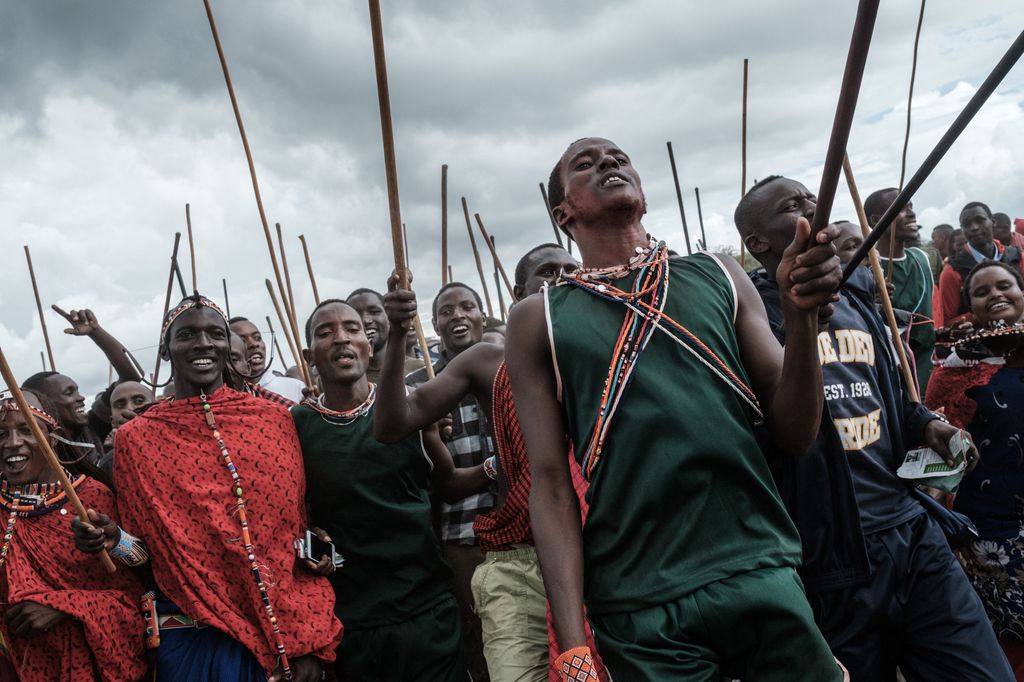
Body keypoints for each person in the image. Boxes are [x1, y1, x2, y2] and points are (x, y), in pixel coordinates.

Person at [507, 137, 847, 680]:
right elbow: (549, 484)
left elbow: (796, 432)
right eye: (585, 165)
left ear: (643, 191)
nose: (609, 163)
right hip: (638, 600)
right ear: (562, 212)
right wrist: (572, 648)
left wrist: (800, 315)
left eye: (619, 158)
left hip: (756, 565)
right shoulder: (537, 319)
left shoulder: (719, 273)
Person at [737, 175, 1013, 681]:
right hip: (831, 557)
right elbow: (776, 432)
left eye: (813, 198)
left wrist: (927, 425)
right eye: (792, 207)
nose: (812, 209)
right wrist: (799, 316)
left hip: (911, 530)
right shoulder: (749, 318)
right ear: (758, 243)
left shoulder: (858, 297)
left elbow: (891, 399)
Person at [74, 294, 341, 681]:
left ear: (227, 345)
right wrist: (114, 540)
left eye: (215, 334)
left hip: (287, 628)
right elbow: (145, 555)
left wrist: (305, 637)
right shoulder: (137, 439)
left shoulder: (273, 419)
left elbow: (293, 532)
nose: (203, 344)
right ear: (166, 349)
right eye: (187, 335)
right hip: (194, 639)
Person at [378, 244, 609, 682]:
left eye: (572, 268)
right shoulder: (488, 363)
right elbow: (392, 424)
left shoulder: (611, 354)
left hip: (602, 551)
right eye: (548, 271)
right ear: (519, 294)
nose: (562, 278)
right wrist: (396, 333)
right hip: (518, 564)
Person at [295, 298, 489, 680]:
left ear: (368, 345)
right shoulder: (295, 427)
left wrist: (502, 466)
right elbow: (291, 515)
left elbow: (448, 485)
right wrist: (310, 537)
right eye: (325, 332)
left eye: (352, 329)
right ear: (309, 355)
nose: (341, 338)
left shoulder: (411, 409)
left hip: (427, 612)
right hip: (353, 623)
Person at [0, 391, 147, 681]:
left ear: (52, 437)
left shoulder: (92, 497)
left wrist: (64, 607)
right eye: (1, 434)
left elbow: (137, 593)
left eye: (26, 430)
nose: (12, 443)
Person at [926, 261, 1024, 678]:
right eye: (982, 292)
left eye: (1005, 285)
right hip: (990, 529)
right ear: (971, 306)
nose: (996, 295)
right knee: (1010, 640)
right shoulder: (957, 366)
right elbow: (938, 445)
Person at [405, 282, 495, 682]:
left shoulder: (511, 365)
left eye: (467, 306)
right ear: (435, 324)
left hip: (522, 531)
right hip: (462, 535)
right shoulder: (421, 384)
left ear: (482, 316)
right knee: (478, 636)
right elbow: (424, 476)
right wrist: (430, 437)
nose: (457, 315)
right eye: (446, 311)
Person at [866, 188, 936, 392]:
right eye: (901, 208)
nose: (912, 213)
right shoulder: (865, 266)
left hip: (926, 373)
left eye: (911, 207)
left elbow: (925, 322)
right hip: (889, 378)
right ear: (876, 220)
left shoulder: (921, 259)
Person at [938, 202, 1023, 325]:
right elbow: (947, 322)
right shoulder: (953, 270)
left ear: (993, 222)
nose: (974, 227)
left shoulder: (1017, 257)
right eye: (967, 224)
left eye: (980, 220)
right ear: (962, 229)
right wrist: (980, 313)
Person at [346, 288, 424, 382]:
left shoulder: (421, 370)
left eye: (374, 312)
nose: (365, 320)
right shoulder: (342, 377)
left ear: (388, 317)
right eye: (356, 315)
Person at [229, 316, 306, 403]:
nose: (254, 344)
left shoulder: (296, 388)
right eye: (242, 341)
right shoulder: (225, 394)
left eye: (257, 338)